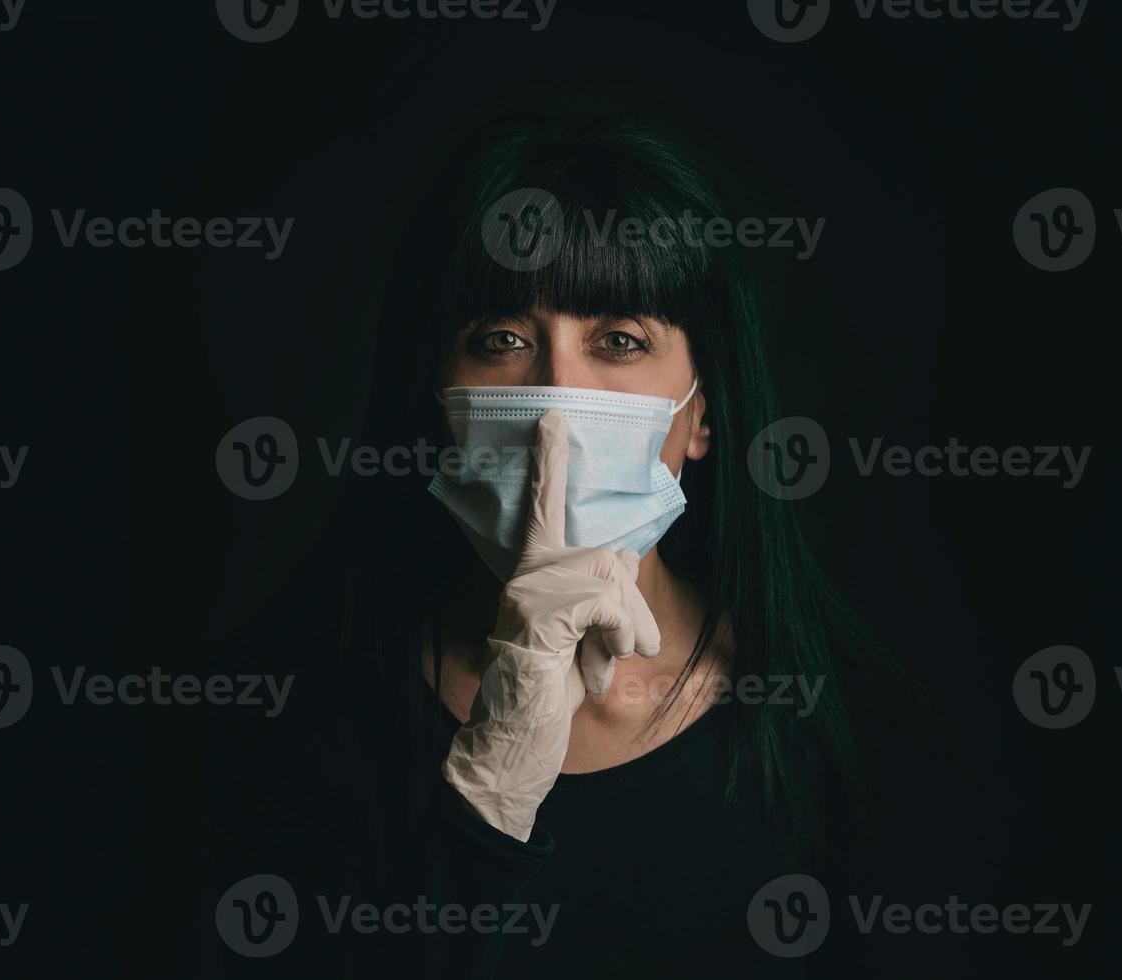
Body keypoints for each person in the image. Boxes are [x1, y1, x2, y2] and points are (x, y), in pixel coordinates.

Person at [207, 114, 929, 978]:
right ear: (433, 396)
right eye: (502, 341)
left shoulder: (839, 720)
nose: (556, 402)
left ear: (702, 411)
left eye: (619, 342)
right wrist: (495, 771)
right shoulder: (289, 705)